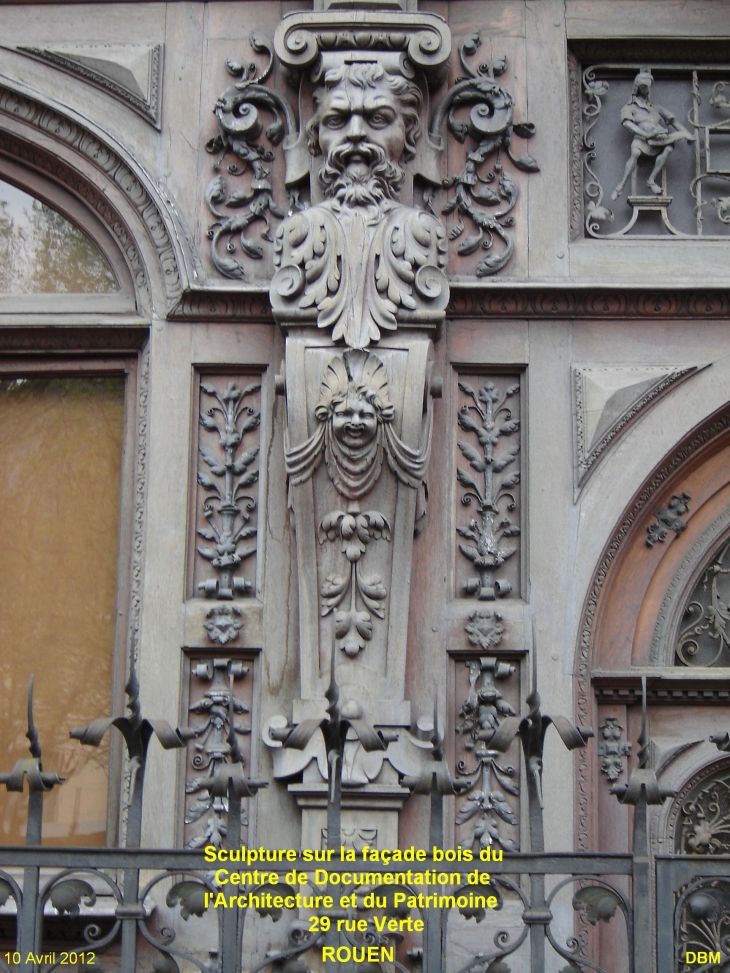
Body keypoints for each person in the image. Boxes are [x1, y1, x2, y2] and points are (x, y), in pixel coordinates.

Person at [611, 67, 695, 199]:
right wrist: (644, 134)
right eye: (644, 87)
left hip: (658, 138)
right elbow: (627, 123)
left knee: (669, 147)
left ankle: (651, 180)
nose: (647, 90)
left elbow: (673, 121)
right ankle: (621, 186)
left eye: (648, 87)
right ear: (637, 87)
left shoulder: (656, 107)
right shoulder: (630, 107)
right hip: (641, 138)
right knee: (635, 152)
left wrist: (687, 133)